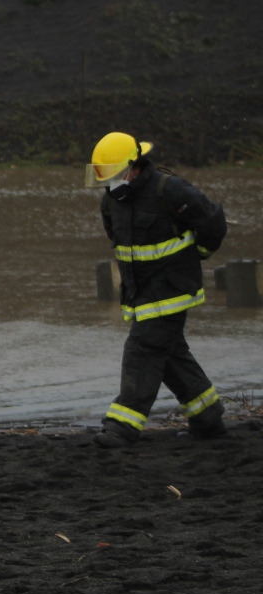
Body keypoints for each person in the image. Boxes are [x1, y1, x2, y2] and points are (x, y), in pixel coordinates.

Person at [86, 132, 228, 448]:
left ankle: (122, 426)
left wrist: (198, 255)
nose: (108, 183)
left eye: (112, 175)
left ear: (133, 167)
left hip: (173, 290)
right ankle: (208, 418)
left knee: (142, 350)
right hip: (141, 294)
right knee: (170, 354)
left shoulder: (170, 190)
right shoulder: (111, 201)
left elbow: (213, 223)